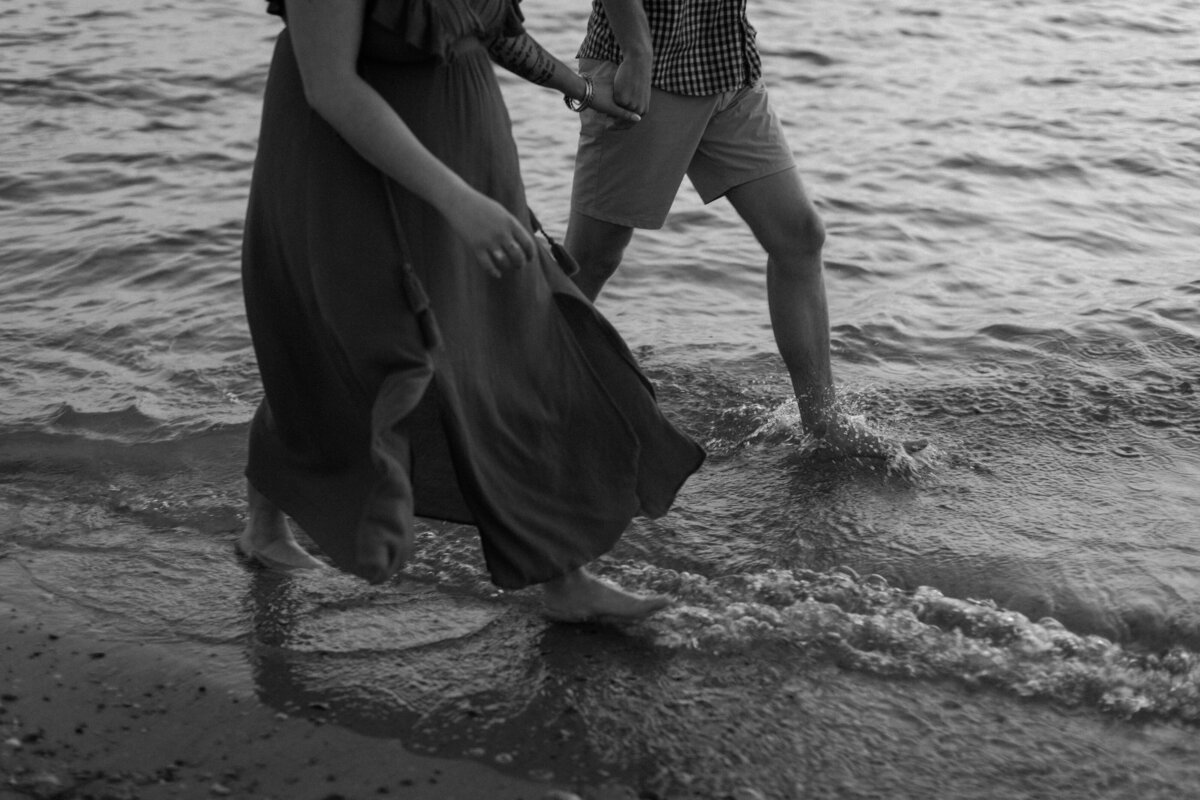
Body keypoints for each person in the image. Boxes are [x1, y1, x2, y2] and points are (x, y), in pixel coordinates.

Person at [236, 0, 705, 622]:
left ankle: (566, 580)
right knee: (355, 343)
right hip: (353, 166)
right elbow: (331, 86)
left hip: (468, 153)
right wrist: (458, 202)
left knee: (522, 338)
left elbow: (490, 32)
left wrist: (581, 88)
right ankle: (264, 529)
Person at [566, 0, 924, 458]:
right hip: (646, 70)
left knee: (798, 236)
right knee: (591, 259)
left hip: (726, 68)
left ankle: (824, 422)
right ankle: (503, 397)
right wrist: (637, 53)